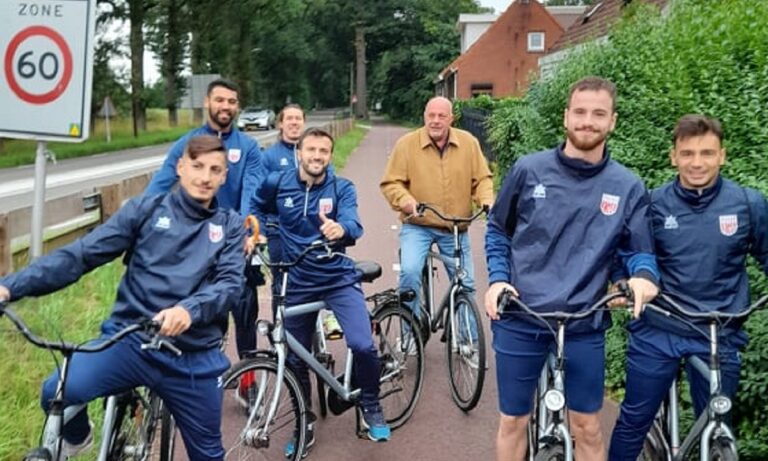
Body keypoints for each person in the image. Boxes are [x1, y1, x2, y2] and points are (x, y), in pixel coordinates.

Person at [0, 135, 245, 461]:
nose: (205, 177)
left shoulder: (229, 226)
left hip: (192, 357)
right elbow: (81, 255)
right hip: (131, 342)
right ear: (180, 167)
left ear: (224, 176)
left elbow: (229, 284)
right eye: (197, 166)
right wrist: (10, 286)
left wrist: (189, 310)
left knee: (208, 455)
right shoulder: (146, 210)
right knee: (56, 391)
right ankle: (79, 438)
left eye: (215, 170)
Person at [484, 76, 660, 461]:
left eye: (598, 114)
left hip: (584, 322)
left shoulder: (628, 186)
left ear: (612, 121)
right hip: (522, 316)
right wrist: (497, 280)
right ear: (566, 117)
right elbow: (498, 230)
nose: (587, 121)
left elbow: (639, 250)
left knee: (588, 428)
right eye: (580, 112)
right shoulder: (528, 170)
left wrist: (643, 278)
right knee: (512, 422)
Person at [608, 115, 768, 460]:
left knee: (718, 422)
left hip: (718, 330)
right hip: (659, 328)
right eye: (688, 153)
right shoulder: (652, 204)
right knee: (634, 421)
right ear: (673, 157)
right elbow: (628, 254)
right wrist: (623, 283)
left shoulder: (748, 204)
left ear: (722, 155)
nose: (697, 163)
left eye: (707, 153)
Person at [251, 127, 391, 457]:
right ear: (298, 152)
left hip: (337, 278)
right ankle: (304, 421)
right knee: (294, 357)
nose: (317, 156)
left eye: (323, 151)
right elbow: (257, 206)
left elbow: (354, 224)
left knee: (362, 344)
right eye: (311, 150)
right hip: (297, 280)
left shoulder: (341, 188)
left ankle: (370, 403)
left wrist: (341, 228)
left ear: (330, 155)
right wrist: (258, 231)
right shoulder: (277, 183)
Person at [145, 78, 263, 364]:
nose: (225, 106)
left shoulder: (248, 147)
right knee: (197, 316)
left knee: (245, 313)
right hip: (196, 244)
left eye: (231, 102)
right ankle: (198, 373)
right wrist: (143, 222)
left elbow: (251, 192)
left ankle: (247, 377)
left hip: (235, 243)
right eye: (220, 100)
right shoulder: (187, 144)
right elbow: (159, 186)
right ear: (207, 102)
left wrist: (245, 233)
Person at [379, 96, 494, 348]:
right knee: (410, 272)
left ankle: (467, 341)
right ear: (424, 116)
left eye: (442, 116)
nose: (436, 120)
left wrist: (486, 200)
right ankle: (410, 335)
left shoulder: (468, 143)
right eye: (431, 115)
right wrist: (406, 201)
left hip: (455, 226)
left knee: (466, 282)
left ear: (451, 118)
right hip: (417, 225)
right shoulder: (407, 144)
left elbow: (482, 179)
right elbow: (391, 183)